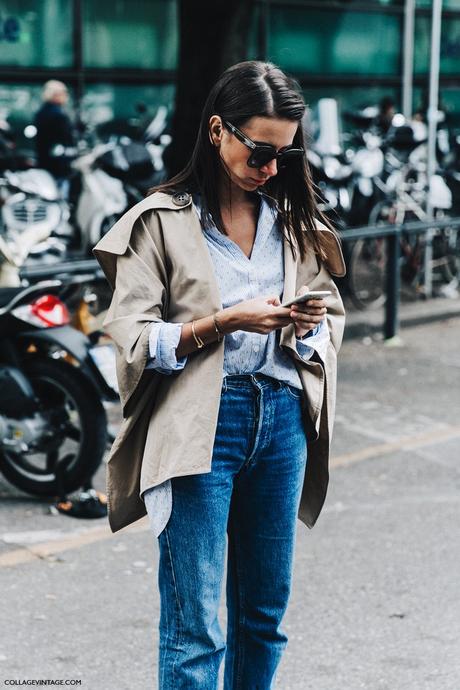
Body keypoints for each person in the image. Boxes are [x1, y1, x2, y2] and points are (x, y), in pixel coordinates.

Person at [93, 61, 346, 689]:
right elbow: (129, 337)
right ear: (217, 131)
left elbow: (328, 312)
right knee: (195, 626)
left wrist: (307, 321)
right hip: (202, 424)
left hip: (283, 420)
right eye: (261, 150)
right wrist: (221, 323)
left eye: (286, 155)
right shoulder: (161, 221)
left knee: (264, 616)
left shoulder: (292, 220)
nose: (272, 167)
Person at [34, 80, 75, 197]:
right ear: (55, 94)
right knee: (59, 197)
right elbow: (64, 140)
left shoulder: (42, 112)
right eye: (64, 93)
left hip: (46, 163)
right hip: (58, 166)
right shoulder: (57, 115)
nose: (66, 96)